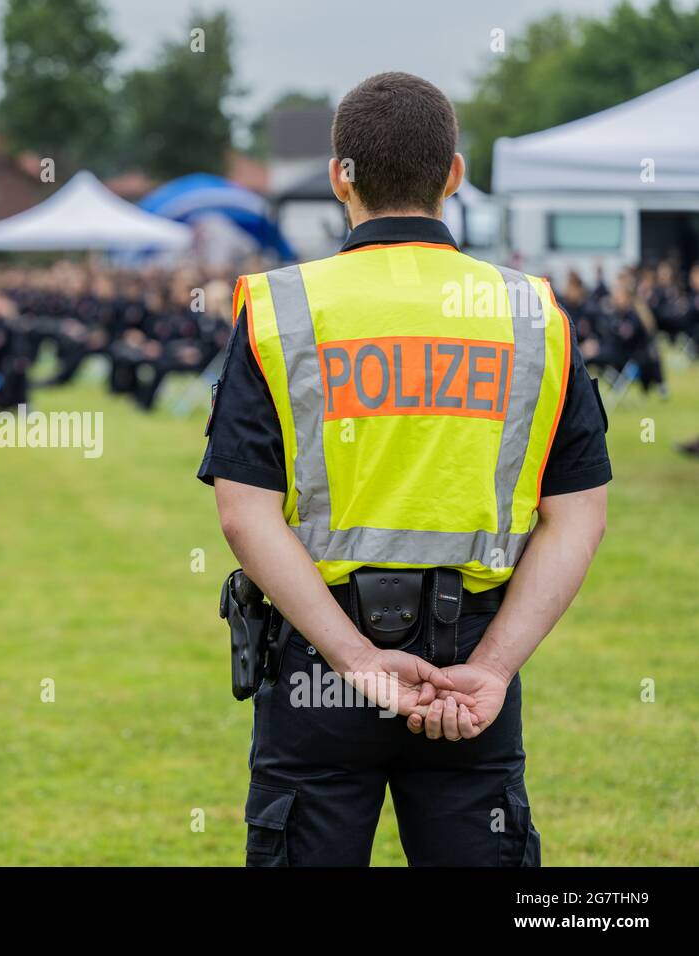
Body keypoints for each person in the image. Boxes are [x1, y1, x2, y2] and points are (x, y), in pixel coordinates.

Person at [200, 72, 610, 866]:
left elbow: (244, 513)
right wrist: (490, 671)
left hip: (319, 661)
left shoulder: (280, 308)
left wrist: (354, 660)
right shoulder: (534, 314)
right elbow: (579, 518)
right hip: (472, 667)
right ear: (454, 173)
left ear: (337, 177)